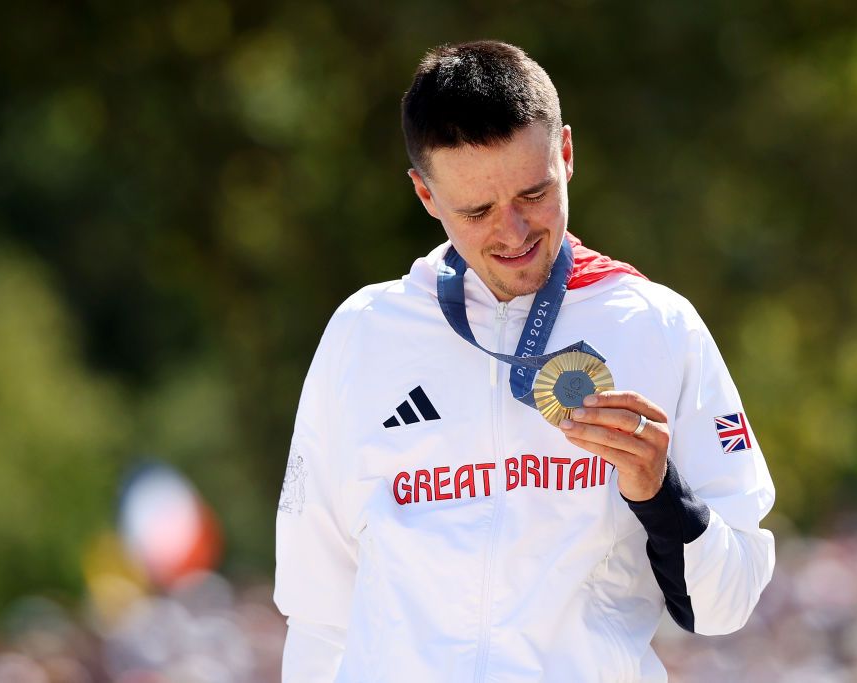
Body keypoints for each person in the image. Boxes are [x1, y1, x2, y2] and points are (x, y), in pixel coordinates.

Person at [275, 40, 775, 682]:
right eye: (477, 211)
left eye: (533, 194)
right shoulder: (364, 334)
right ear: (426, 195)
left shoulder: (657, 325)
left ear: (565, 154)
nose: (512, 233)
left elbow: (726, 604)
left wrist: (661, 494)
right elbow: (317, 612)